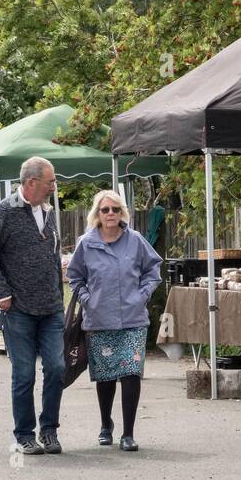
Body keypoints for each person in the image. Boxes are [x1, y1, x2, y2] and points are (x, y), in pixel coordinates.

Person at [0, 156, 66, 455]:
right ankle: (24, 434)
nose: (54, 186)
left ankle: (50, 431)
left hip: (51, 307)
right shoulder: (5, 211)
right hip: (18, 310)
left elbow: (53, 254)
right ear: (31, 183)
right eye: (50, 181)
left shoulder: (49, 211)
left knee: (56, 368)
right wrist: (1, 293)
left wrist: (58, 287)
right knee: (25, 373)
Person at [67, 189, 162, 452]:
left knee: (131, 373)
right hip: (99, 319)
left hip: (133, 319)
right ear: (97, 214)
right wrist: (87, 299)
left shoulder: (135, 240)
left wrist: (142, 295)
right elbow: (74, 277)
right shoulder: (86, 243)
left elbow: (153, 270)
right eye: (105, 209)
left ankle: (128, 433)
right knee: (106, 376)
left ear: (122, 213)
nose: (110, 214)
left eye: (115, 209)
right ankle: (105, 424)